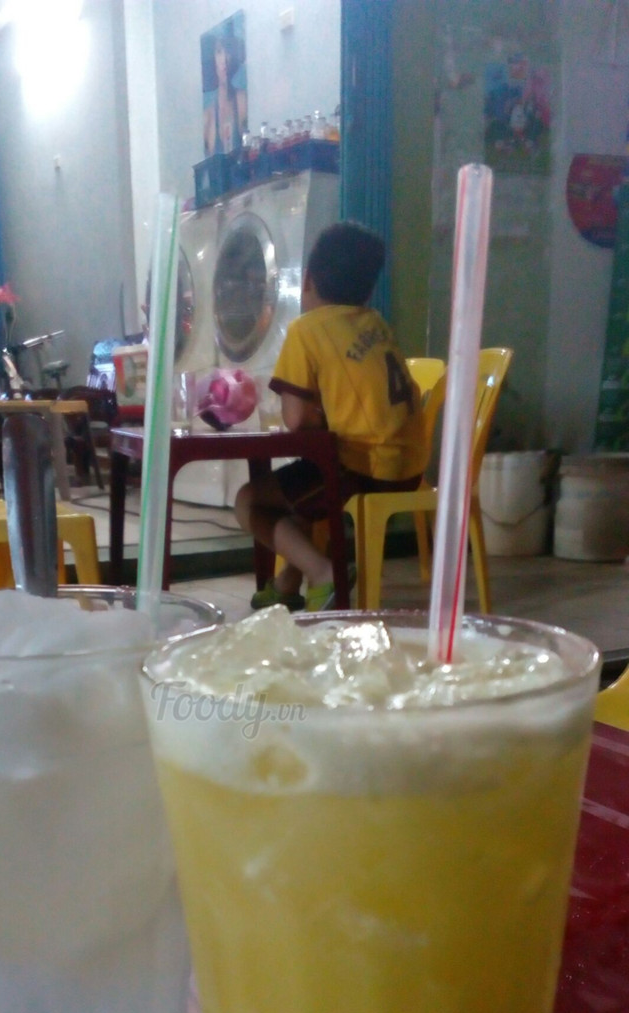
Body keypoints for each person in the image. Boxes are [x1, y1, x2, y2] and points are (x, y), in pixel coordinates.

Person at [235, 221, 427, 611]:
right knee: (301, 489)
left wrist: (312, 415)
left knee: (250, 500)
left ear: (306, 280)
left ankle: (324, 573)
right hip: (409, 465)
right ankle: (286, 584)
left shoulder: (306, 330)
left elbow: (295, 419)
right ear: (368, 290)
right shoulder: (375, 322)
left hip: (365, 467)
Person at [203, 33, 247, 156]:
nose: (224, 59)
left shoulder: (242, 100)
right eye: (219, 52)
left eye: (228, 52)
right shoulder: (208, 116)